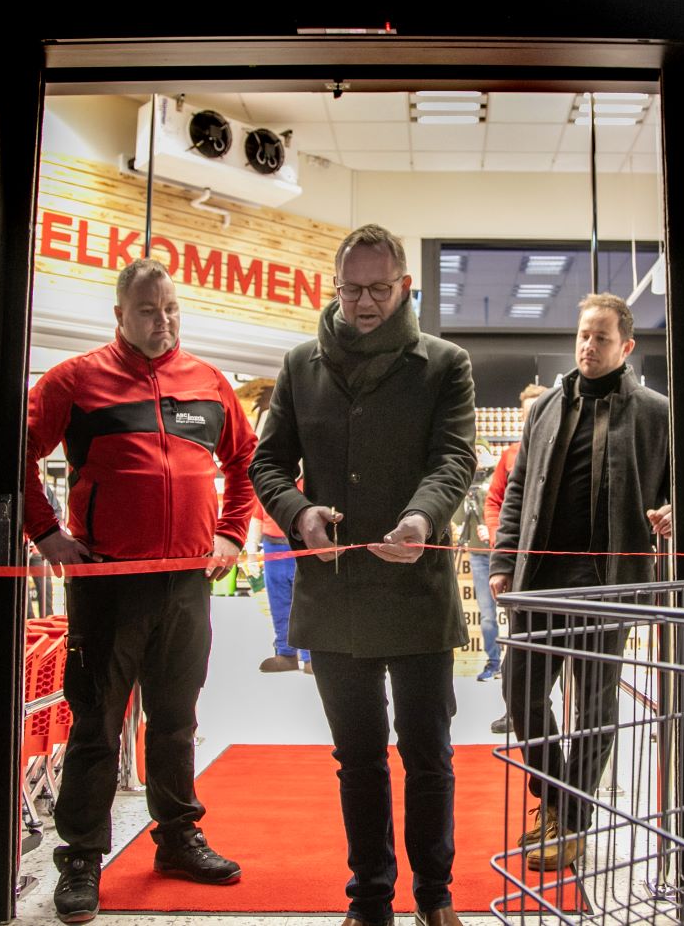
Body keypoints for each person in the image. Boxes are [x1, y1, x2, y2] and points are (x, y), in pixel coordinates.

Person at [250, 223, 475, 926]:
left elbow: (454, 458)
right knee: (357, 758)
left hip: (415, 590)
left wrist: (421, 519)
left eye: (380, 289)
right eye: (352, 289)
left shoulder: (444, 364)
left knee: (428, 754)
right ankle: (370, 898)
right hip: (334, 594)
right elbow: (267, 462)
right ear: (336, 284)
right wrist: (299, 512)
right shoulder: (299, 363)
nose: (365, 302)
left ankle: (435, 897)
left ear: (405, 285)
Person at [23, 258, 257, 924]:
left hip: (187, 582)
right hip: (110, 582)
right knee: (96, 718)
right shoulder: (74, 380)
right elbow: (18, 453)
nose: (165, 321)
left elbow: (246, 460)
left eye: (173, 308)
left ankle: (178, 836)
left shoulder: (209, 382)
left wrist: (231, 533)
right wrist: (47, 534)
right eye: (150, 310)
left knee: (176, 716)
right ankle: (81, 856)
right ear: (119, 315)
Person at [489, 293, 672, 870]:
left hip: (607, 583)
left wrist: (675, 510)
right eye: (583, 335)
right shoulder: (545, 407)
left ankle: (570, 823)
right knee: (520, 693)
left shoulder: (654, 412)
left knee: (593, 705)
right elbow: (517, 491)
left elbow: (679, 483)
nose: (588, 347)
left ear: (627, 346)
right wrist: (502, 559)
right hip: (540, 579)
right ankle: (557, 797)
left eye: (601, 338)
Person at [482, 382, 546, 733]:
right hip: (519, 567)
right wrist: (500, 545)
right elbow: (495, 503)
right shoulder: (511, 456)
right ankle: (516, 713)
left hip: (555, 569)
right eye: (527, 414)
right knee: (518, 652)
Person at [250, 383, 310, 674]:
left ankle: (310, 656)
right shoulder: (268, 474)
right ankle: (285, 652)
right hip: (273, 545)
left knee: (306, 599)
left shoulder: (309, 476)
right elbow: (256, 512)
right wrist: (251, 548)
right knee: (279, 599)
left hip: (301, 544)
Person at [452, 452, 499, 682]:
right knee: (487, 614)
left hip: (502, 553)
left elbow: (502, 509)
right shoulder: (468, 482)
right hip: (478, 554)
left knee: (514, 610)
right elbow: (460, 517)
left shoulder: (499, 478)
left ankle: (514, 663)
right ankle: (495, 662)